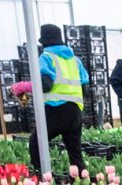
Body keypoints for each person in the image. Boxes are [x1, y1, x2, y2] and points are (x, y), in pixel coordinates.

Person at [29, 24, 89, 176]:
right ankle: (82, 180)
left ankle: (41, 177)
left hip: (55, 109)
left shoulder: (46, 57)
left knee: (36, 143)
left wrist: (29, 87)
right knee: (74, 150)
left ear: (44, 42)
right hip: (75, 110)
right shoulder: (75, 60)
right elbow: (85, 86)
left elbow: (46, 85)